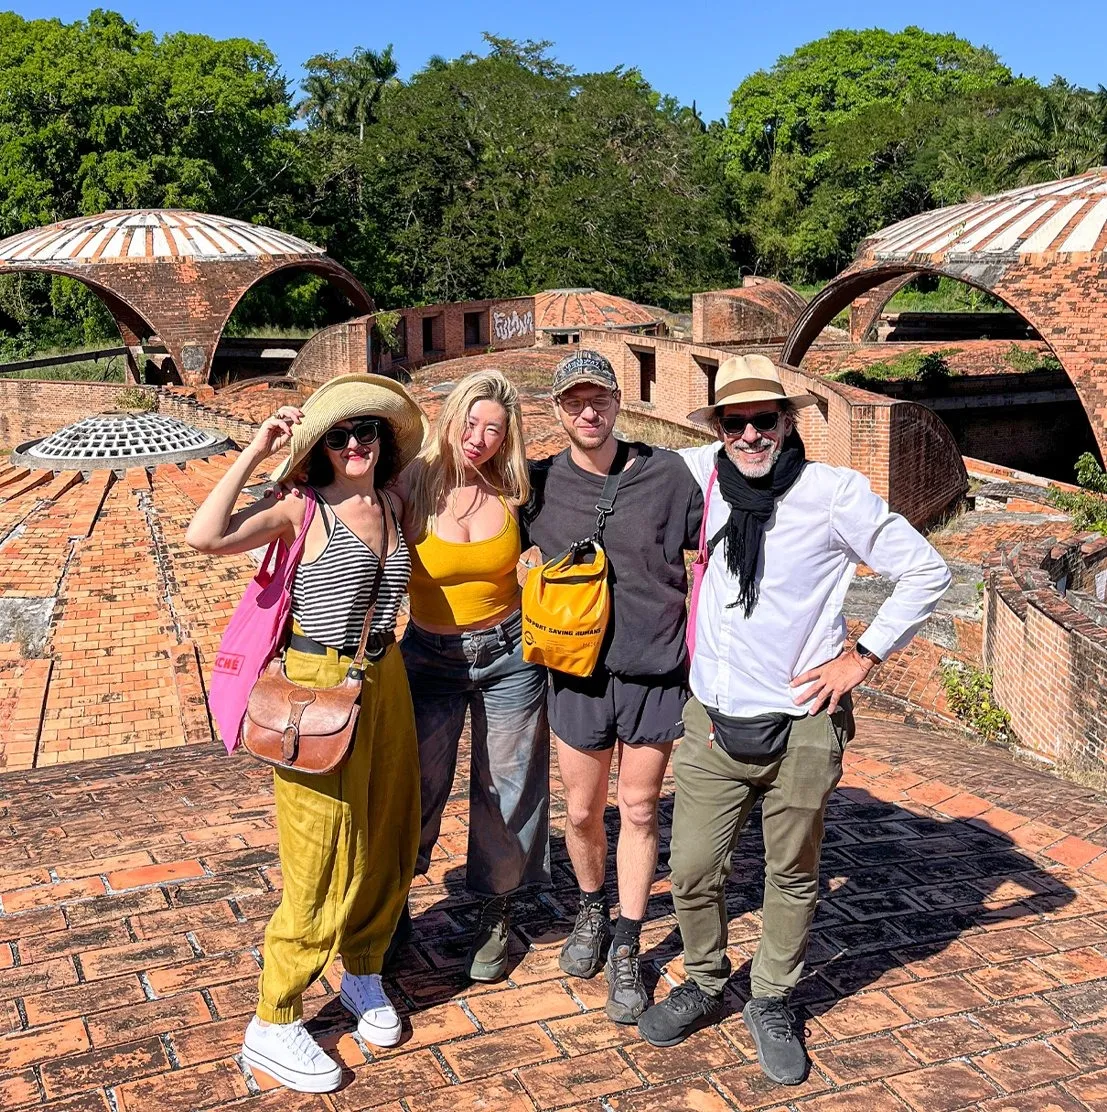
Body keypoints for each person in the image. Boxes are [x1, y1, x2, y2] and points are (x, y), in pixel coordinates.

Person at [636, 354, 952, 1086]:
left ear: (787, 422)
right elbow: (599, 465)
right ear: (716, 428)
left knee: (792, 872)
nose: (748, 435)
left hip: (802, 719)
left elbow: (925, 570)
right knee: (691, 869)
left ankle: (772, 997)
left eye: (762, 420)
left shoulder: (833, 493)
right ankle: (706, 979)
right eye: (732, 422)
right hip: (714, 719)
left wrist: (862, 657)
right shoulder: (701, 474)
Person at [186, 373, 426, 1094]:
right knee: (319, 850)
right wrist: (258, 450)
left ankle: (361, 969)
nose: (356, 444)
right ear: (320, 448)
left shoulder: (391, 499)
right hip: (316, 687)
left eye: (368, 432)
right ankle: (274, 1018)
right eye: (340, 435)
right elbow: (205, 536)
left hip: (386, 681)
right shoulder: (301, 507)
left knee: (388, 833)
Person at [523, 349, 703, 1023]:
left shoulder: (665, 474)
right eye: (574, 401)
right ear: (557, 409)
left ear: (619, 401)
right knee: (577, 812)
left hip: (652, 668)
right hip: (575, 672)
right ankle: (591, 909)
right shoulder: (538, 484)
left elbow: (716, 544)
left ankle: (627, 940)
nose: (588, 411)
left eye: (598, 398)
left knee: (636, 809)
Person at [399, 368, 550, 982]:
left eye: (494, 429)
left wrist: (535, 559)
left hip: (509, 656)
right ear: (451, 413)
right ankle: (393, 905)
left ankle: (497, 909)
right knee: (415, 786)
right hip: (429, 658)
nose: (480, 437)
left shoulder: (516, 489)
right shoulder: (410, 480)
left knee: (508, 786)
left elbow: (554, 540)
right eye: (472, 420)